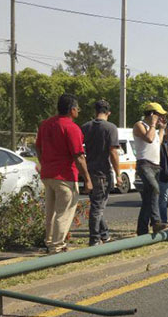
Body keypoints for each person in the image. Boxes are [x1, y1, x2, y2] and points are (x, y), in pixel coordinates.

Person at [35, 93, 92, 254]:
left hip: (47, 175)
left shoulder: (45, 125)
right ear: (72, 109)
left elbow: (37, 147)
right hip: (65, 176)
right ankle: (57, 246)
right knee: (64, 211)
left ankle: (49, 242)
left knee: (51, 211)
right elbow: (79, 156)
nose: (78, 112)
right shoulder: (72, 127)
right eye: (77, 109)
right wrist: (87, 179)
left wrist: (44, 162)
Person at [81, 99, 122, 245]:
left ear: (95, 111)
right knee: (97, 208)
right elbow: (113, 153)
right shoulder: (110, 128)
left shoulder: (85, 127)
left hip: (88, 170)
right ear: (108, 113)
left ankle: (104, 234)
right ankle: (94, 239)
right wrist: (118, 174)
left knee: (97, 204)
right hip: (102, 172)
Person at [134, 102, 168, 234]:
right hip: (145, 164)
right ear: (152, 114)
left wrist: (162, 128)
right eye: (159, 115)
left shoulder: (153, 128)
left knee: (149, 199)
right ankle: (155, 222)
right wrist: (153, 125)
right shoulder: (140, 125)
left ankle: (142, 229)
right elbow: (148, 138)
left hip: (155, 166)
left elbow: (157, 142)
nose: (160, 118)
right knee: (155, 188)